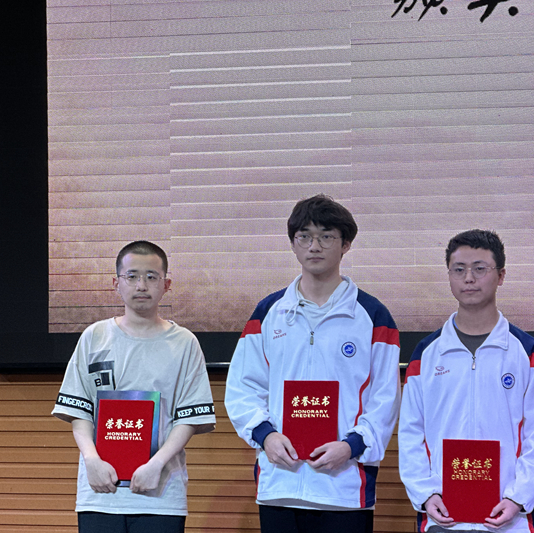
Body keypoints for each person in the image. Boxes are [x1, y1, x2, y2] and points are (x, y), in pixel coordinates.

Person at [224, 194, 401, 533]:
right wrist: (265, 436)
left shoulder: (373, 316)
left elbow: (385, 398)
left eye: (326, 236)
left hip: (344, 487)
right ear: (293, 243)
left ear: (345, 244)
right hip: (280, 485)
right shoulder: (268, 313)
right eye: (304, 236)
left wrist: (351, 446)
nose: (314, 246)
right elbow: (243, 387)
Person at [52, 241, 216, 533]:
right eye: (132, 276)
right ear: (116, 283)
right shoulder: (94, 336)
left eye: (151, 277)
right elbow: (80, 411)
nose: (141, 285)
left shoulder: (184, 343)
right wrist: (92, 460)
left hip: (161, 495)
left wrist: (156, 464)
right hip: (100, 494)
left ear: (166, 285)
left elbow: (189, 418)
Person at [398, 229, 534, 532]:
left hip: (509, 518)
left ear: (501, 275)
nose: (469, 278)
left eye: (480, 268)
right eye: (459, 269)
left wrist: (518, 497)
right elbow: (411, 432)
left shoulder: (528, 353)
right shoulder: (425, 354)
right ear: (449, 276)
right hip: (443, 516)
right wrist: (426, 493)